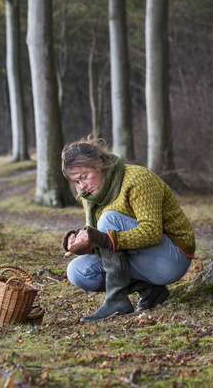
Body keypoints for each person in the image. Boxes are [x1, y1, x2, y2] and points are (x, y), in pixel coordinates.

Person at [61, 135, 195, 323]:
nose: (82, 186)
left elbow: (151, 232)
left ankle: (117, 302)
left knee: (109, 218)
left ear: (100, 162)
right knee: (77, 271)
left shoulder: (137, 179)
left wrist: (102, 237)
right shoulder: (90, 196)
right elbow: (107, 246)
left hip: (171, 258)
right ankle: (150, 290)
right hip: (138, 260)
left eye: (84, 177)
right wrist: (84, 242)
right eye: (76, 182)